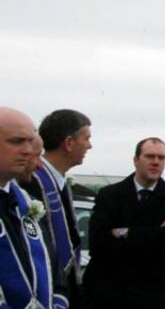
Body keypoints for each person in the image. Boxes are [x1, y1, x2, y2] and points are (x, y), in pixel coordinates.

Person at [82, 137, 165, 309]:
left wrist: (123, 232)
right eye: (150, 156)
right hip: (109, 295)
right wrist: (154, 234)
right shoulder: (109, 195)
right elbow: (98, 243)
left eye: (161, 157)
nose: (156, 162)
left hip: (153, 297)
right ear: (136, 160)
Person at [0, 107, 67, 309]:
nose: (28, 150)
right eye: (17, 141)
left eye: (30, 141)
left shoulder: (27, 204)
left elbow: (54, 270)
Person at [34, 109, 92, 307]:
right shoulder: (32, 181)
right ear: (69, 143)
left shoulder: (60, 182)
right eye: (86, 138)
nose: (90, 145)